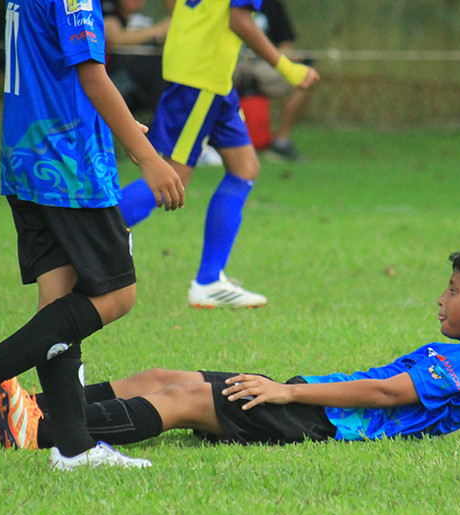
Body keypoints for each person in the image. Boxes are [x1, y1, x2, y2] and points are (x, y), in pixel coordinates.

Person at [0, 0, 185, 471]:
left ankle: (73, 447)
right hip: (67, 166)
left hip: (27, 155)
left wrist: (114, 123)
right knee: (116, 295)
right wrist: (148, 157)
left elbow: (50, 69)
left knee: (59, 304)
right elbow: (91, 73)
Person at [0, 244, 460, 452]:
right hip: (315, 404)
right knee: (161, 376)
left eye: (454, 291)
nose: (442, 300)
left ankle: (43, 431)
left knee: (184, 401)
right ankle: (32, 405)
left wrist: (290, 394)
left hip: (323, 424)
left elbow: (388, 392)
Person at [116, 0, 319, 309]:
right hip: (200, 78)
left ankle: (209, 281)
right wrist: (287, 67)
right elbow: (239, 20)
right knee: (172, 178)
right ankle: (92, 232)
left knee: (245, 168)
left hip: (211, 77)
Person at [232, 0, 313, 161]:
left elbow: (285, 43)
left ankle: (281, 143)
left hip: (263, 63)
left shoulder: (272, 4)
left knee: (307, 76)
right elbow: (239, 20)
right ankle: (205, 144)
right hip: (230, 62)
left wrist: (286, 64)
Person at [103, 0, 171, 115]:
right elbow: (117, 38)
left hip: (142, 81)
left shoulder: (147, 16)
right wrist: (160, 29)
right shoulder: (106, 9)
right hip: (108, 78)